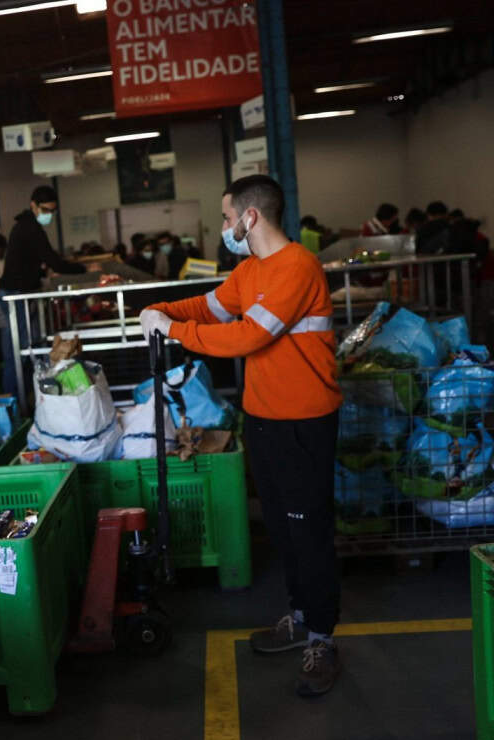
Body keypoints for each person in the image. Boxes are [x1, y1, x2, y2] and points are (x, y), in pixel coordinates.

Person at [139, 174, 343, 697]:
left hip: (303, 421)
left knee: (309, 529)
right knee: (281, 525)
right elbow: (211, 307)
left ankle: (322, 638)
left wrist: (174, 331)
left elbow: (250, 335)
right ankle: (299, 616)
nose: (225, 228)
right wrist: (163, 311)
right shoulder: (251, 270)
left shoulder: (296, 266)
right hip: (264, 418)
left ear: (250, 217)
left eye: (228, 218)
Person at [0, 184, 85, 396]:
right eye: (45, 210)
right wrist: (83, 269)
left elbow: (35, 261)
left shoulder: (27, 226)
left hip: (22, 294)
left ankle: (37, 397)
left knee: (30, 349)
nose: (49, 215)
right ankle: (17, 404)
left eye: (52, 211)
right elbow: (54, 261)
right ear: (33, 205)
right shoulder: (29, 228)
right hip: (16, 296)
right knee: (18, 354)